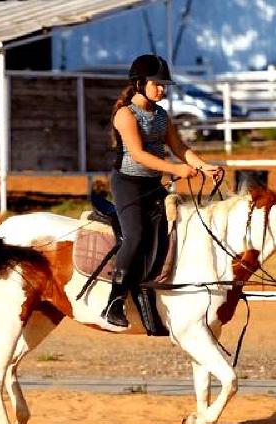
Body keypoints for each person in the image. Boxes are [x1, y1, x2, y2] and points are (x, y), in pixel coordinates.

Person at [102, 53, 220, 331]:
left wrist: (203, 166)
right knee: (136, 236)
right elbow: (139, 155)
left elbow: (180, 147)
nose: (163, 89)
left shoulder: (161, 115)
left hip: (154, 184)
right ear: (140, 83)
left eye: (165, 84)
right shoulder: (125, 114)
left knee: (177, 229)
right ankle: (114, 301)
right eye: (158, 84)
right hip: (128, 184)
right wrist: (176, 170)